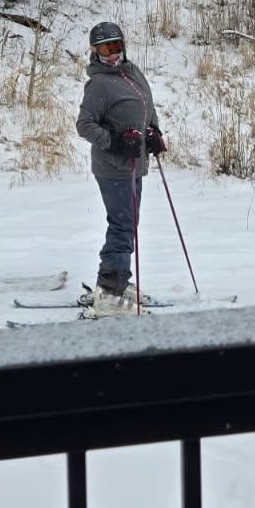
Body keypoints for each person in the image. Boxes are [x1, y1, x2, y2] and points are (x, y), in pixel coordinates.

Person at [75, 21, 166, 317]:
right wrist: (115, 141)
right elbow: (84, 125)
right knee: (122, 225)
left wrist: (153, 131)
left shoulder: (132, 72)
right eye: (106, 49)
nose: (113, 53)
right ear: (95, 52)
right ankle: (110, 293)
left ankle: (113, 282)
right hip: (113, 167)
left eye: (116, 46)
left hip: (135, 164)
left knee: (127, 223)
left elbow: (147, 106)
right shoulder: (99, 84)